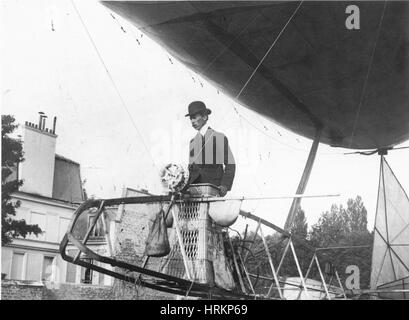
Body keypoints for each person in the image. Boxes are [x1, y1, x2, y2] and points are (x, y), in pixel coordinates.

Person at [185, 101, 235, 196]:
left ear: (205, 117)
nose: (192, 121)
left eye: (195, 117)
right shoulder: (192, 142)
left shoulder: (219, 137)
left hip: (214, 190)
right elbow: (191, 169)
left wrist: (224, 185)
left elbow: (230, 164)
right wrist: (186, 188)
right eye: (191, 119)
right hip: (195, 192)